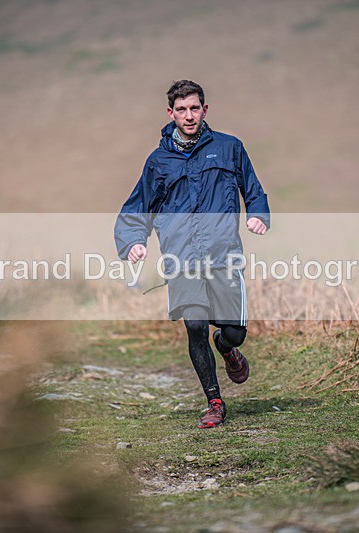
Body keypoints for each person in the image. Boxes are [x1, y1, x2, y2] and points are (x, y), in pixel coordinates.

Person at [114, 80, 270, 428]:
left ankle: (227, 348)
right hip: (181, 257)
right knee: (195, 324)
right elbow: (137, 207)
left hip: (223, 255)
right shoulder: (158, 162)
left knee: (234, 332)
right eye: (181, 109)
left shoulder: (230, 148)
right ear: (170, 113)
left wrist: (258, 214)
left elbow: (253, 189)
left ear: (205, 110)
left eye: (194, 108)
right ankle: (215, 401)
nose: (188, 115)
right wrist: (133, 241)